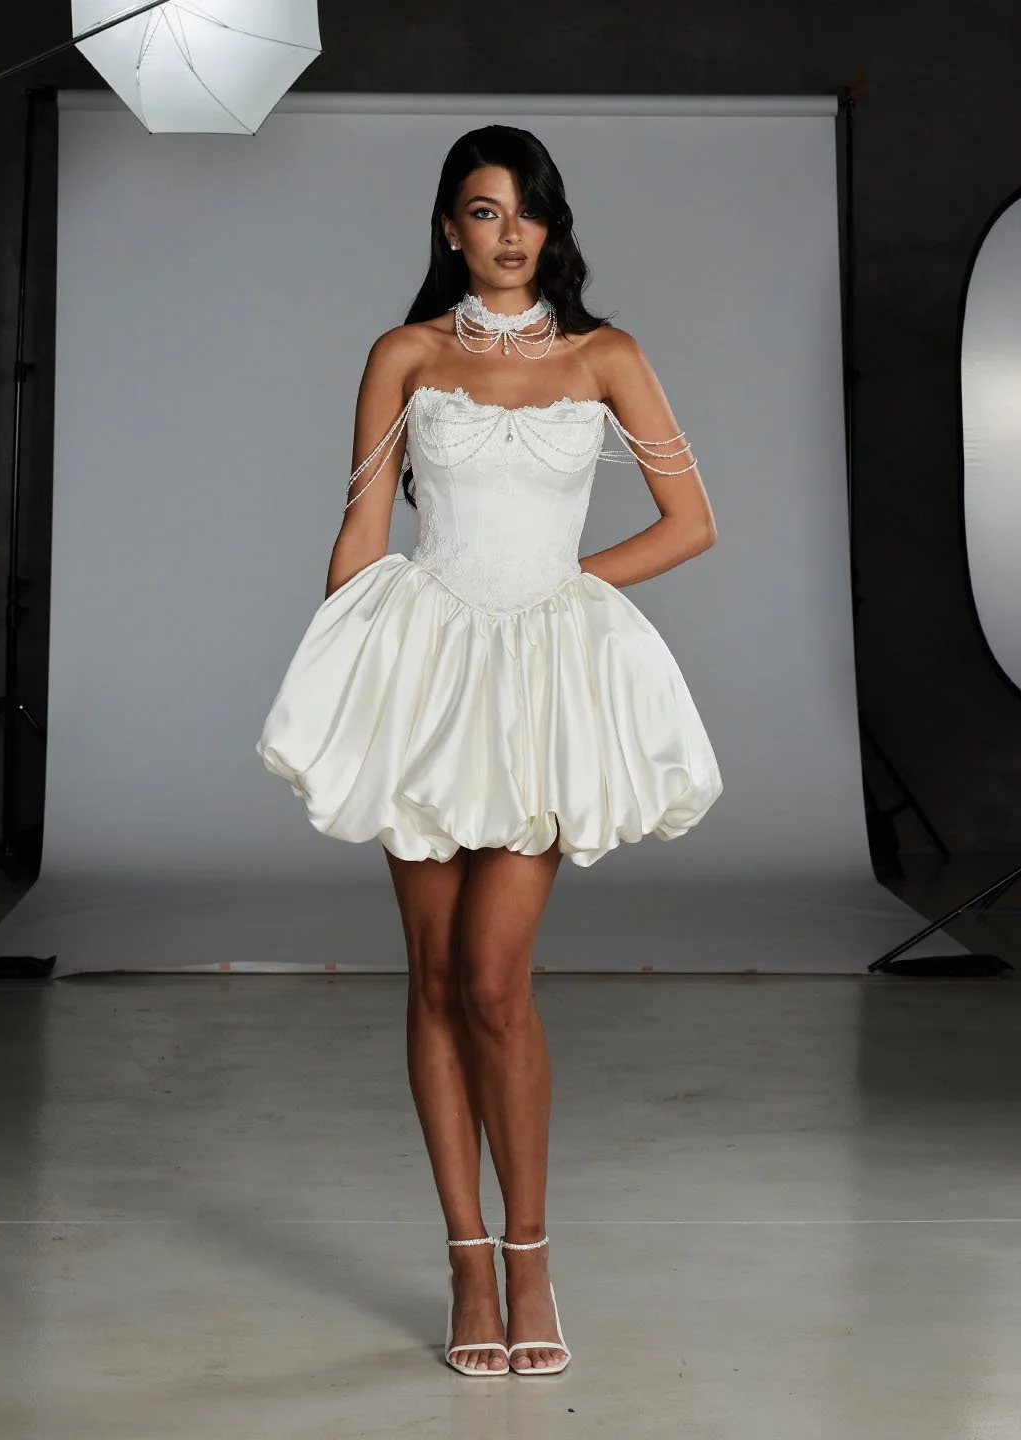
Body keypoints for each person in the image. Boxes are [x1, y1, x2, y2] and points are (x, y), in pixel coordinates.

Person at [256, 124, 723, 1377]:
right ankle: (466, 1262)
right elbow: (362, 530)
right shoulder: (404, 354)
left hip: (539, 686)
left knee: (495, 977)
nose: (504, 233)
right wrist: (332, 685)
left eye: (524, 212)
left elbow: (691, 524)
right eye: (479, 210)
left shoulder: (605, 355)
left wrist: (565, 592)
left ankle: (532, 1256)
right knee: (430, 974)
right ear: (448, 228)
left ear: (551, 226)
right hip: (421, 673)